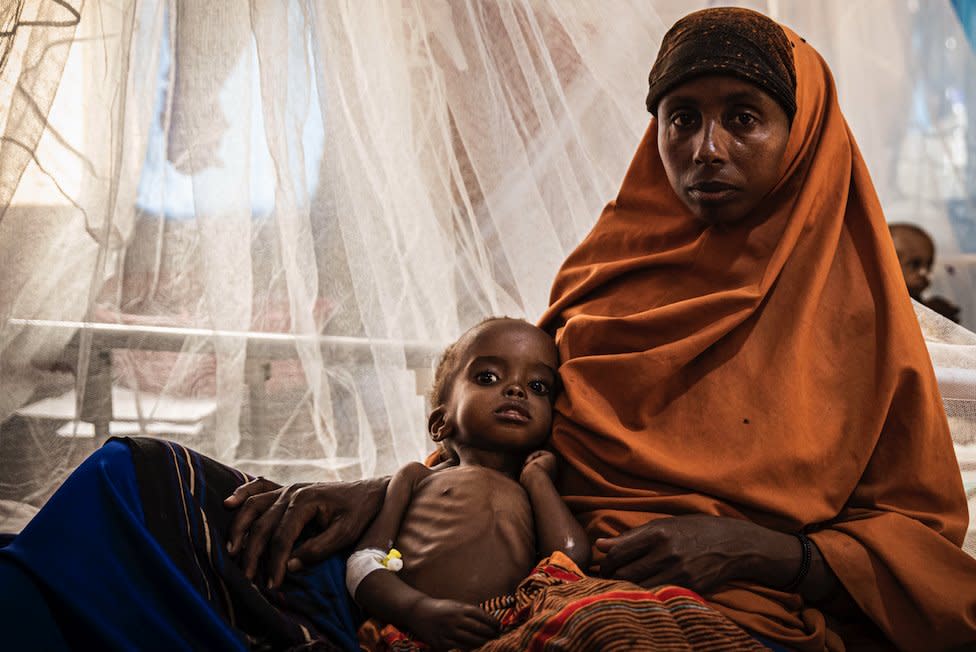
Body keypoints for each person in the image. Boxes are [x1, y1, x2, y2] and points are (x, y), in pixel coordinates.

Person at [3, 6, 976, 651]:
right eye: (679, 118)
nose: (703, 148)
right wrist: (367, 496)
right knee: (128, 487)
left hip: (689, 606)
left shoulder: (860, 328)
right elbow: (504, 445)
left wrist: (762, 552)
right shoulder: (604, 280)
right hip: (483, 581)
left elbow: (929, 554)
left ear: (802, 137)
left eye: (742, 119)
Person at [347, 316, 589, 649]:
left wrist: (537, 480)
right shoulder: (417, 477)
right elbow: (363, 561)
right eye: (488, 377)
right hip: (416, 630)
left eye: (538, 386)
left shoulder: (532, 488)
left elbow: (569, 561)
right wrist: (417, 609)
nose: (517, 389)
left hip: (508, 627)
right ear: (440, 422)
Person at [889, 222, 961, 322]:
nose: (924, 273)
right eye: (914, 264)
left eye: (929, 266)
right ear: (887, 262)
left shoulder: (933, 309)